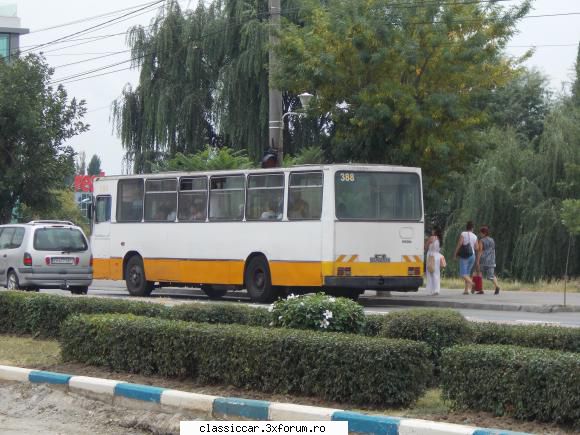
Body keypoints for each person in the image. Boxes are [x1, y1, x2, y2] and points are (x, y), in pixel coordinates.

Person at [454, 221, 478, 295]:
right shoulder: (475, 236)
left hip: (465, 256)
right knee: (467, 273)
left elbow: (459, 244)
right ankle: (466, 290)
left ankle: (472, 284)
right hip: (472, 256)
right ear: (472, 228)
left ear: (466, 227)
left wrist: (455, 254)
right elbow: (477, 247)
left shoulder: (463, 234)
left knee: (463, 274)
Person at [477, 225, 501, 295]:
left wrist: (477, 261)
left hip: (484, 260)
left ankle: (481, 289)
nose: (480, 234)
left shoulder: (481, 240)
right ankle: (497, 286)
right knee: (491, 275)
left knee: (479, 273)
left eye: (480, 233)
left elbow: (480, 251)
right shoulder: (492, 240)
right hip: (492, 260)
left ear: (483, 233)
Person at [425, 226, 444, 296]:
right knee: (436, 273)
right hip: (437, 256)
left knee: (430, 273)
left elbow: (426, 247)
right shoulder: (440, 239)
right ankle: (437, 290)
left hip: (431, 255)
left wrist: (427, 243)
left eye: (433, 229)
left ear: (435, 231)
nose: (432, 231)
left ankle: (430, 290)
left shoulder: (432, 238)